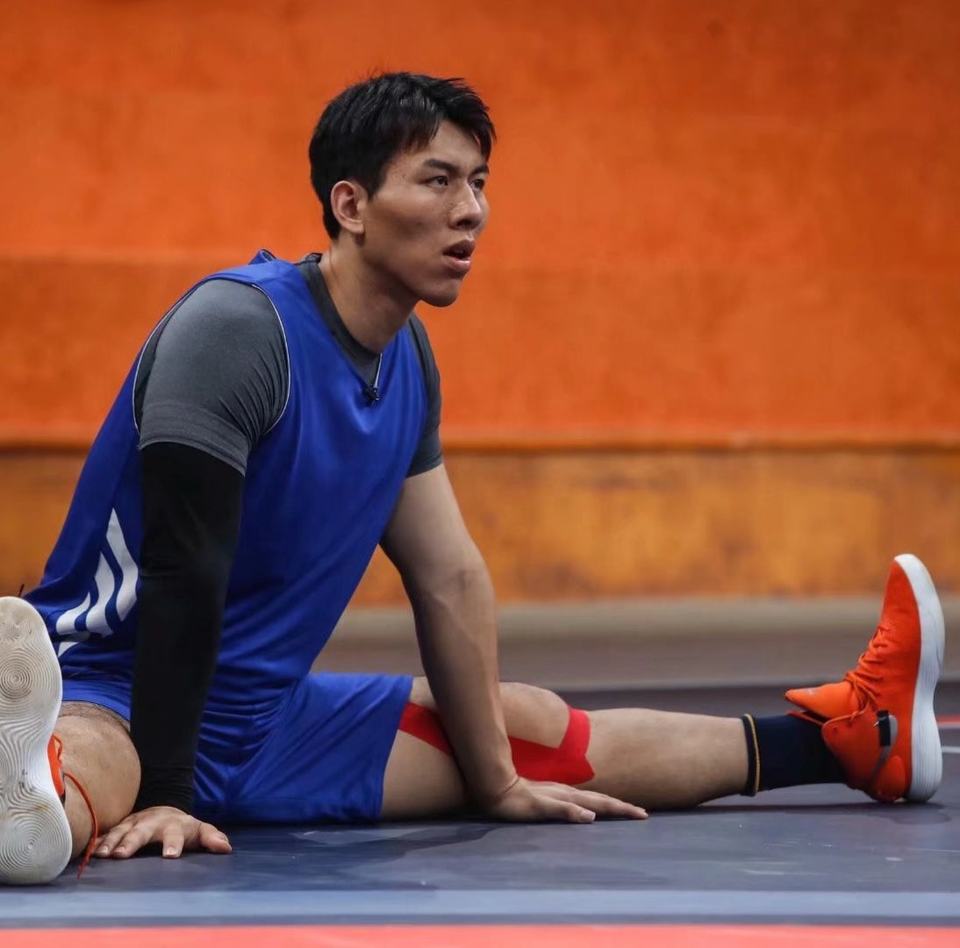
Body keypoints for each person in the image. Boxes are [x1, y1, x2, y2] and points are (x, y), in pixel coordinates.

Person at [0, 73, 945, 886]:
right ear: (351, 205)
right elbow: (185, 569)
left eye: (480, 182)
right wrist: (169, 790)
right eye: (438, 180)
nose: (472, 211)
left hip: (266, 723)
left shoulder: (406, 360)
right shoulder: (238, 331)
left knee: (527, 724)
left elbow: (447, 574)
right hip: (117, 689)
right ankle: (31, 794)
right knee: (97, 761)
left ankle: (853, 738)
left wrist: (495, 781)